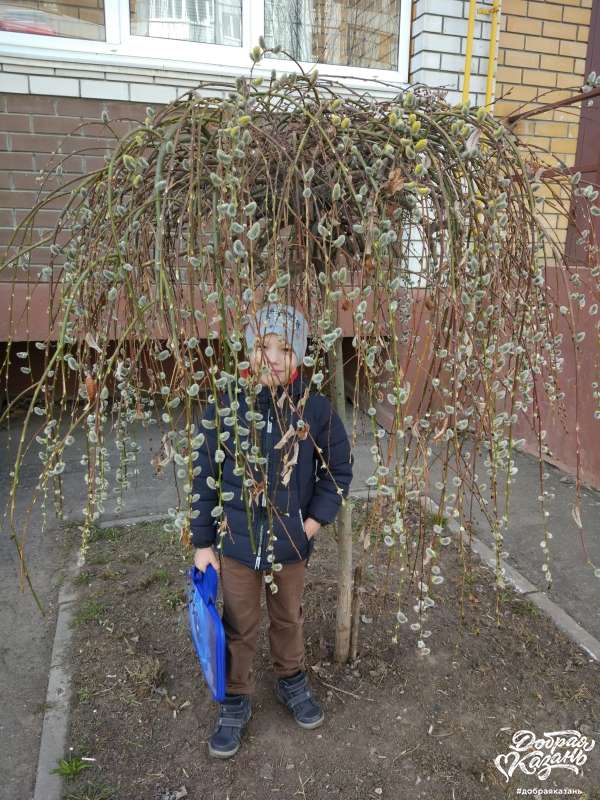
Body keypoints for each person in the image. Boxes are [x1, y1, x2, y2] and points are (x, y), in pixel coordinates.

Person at [190, 302, 353, 759]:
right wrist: (204, 543)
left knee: (288, 617)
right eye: (264, 346)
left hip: (290, 545)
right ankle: (236, 695)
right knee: (238, 624)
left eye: (285, 348)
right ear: (250, 352)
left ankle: (291, 678)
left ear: (299, 355)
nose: (274, 357)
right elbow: (205, 478)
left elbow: (338, 469)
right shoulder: (225, 408)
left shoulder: (315, 411)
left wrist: (310, 524)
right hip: (237, 549)